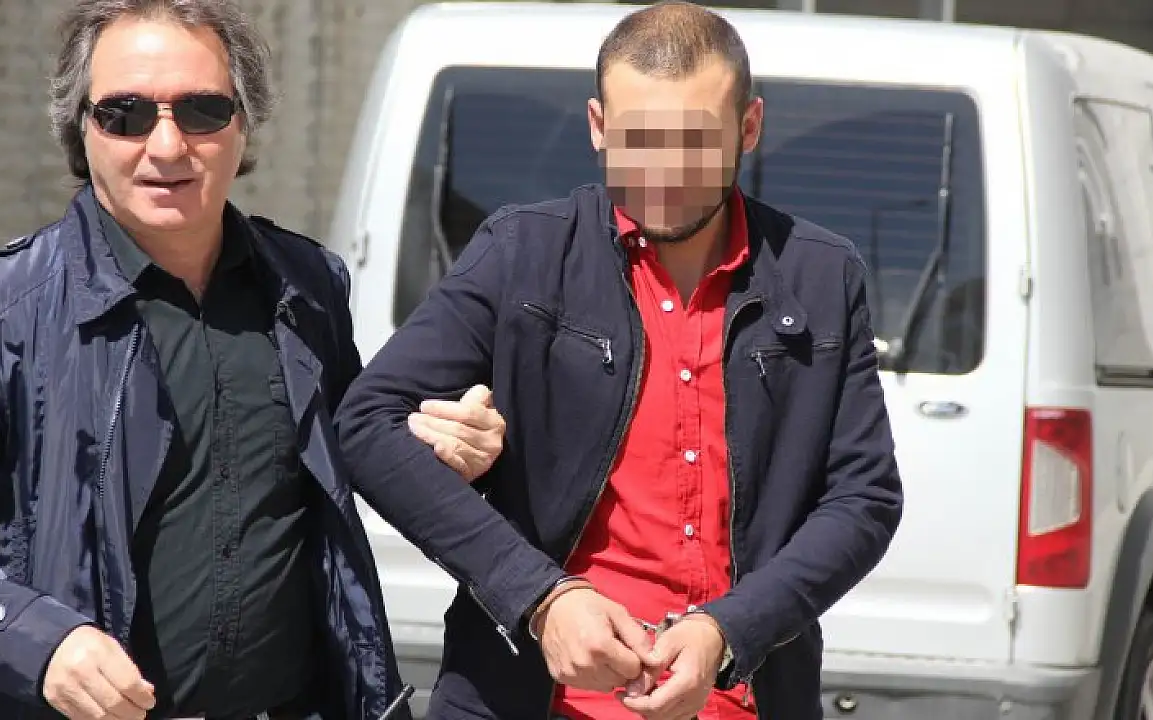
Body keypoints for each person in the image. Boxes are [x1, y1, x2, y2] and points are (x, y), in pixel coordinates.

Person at [0, 1, 509, 719]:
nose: (167, 146)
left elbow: (349, 457)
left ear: (243, 123)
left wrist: (443, 446)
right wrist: (36, 641)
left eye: (202, 111)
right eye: (126, 115)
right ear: (82, 128)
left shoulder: (307, 286)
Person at [335, 2, 905, 719]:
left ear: (749, 127)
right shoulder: (523, 253)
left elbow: (865, 496)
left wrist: (729, 630)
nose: (665, 171)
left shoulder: (822, 275)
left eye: (694, 140)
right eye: (640, 139)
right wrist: (540, 597)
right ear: (599, 126)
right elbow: (368, 422)